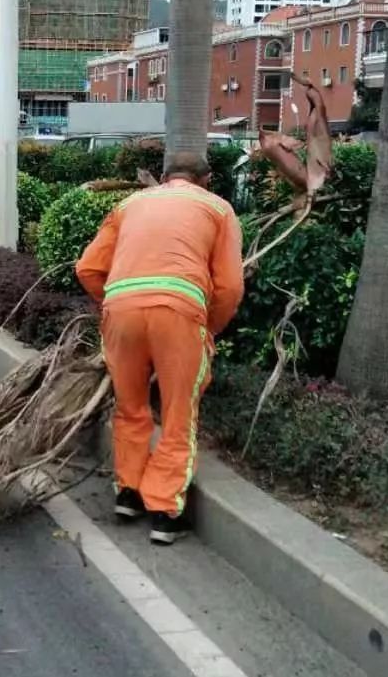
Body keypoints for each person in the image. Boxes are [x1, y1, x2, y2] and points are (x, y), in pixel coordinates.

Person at [76, 151, 244, 545]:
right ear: (206, 179)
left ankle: (128, 492)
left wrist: (119, 305)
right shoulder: (218, 208)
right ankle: (166, 512)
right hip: (179, 311)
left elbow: (86, 268)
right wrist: (209, 325)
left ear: (163, 177)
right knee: (177, 412)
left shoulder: (129, 203)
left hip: (121, 308)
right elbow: (231, 286)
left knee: (131, 406)